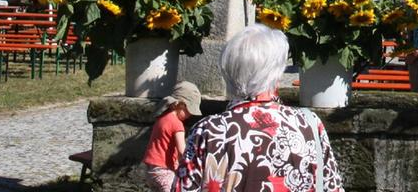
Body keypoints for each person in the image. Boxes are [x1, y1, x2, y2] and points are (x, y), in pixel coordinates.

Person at [176, 24, 343, 192]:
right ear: (277, 72)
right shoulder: (309, 124)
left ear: (228, 70)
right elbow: (332, 187)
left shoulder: (208, 131)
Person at [143, 81, 201, 192]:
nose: (190, 115)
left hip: (150, 170)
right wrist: (189, 168)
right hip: (163, 170)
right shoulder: (177, 124)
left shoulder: (161, 117)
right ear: (179, 104)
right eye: (189, 110)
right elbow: (182, 151)